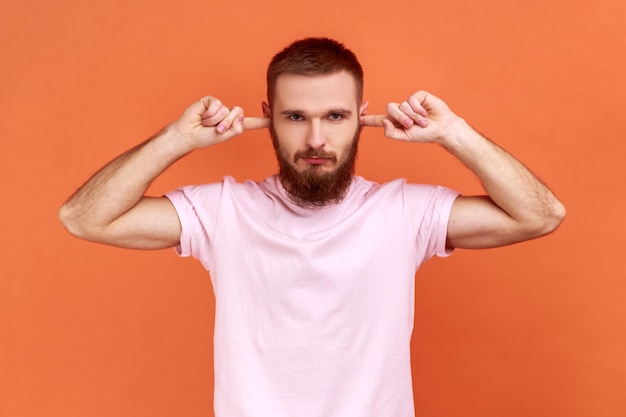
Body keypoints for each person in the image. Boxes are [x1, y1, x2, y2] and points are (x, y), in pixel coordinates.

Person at [59, 37, 565, 417]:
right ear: (268, 118)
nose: (317, 139)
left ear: (362, 117)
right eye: (296, 116)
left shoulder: (404, 212)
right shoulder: (222, 211)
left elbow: (540, 215)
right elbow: (83, 218)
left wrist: (454, 133)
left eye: (336, 116)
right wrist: (175, 140)